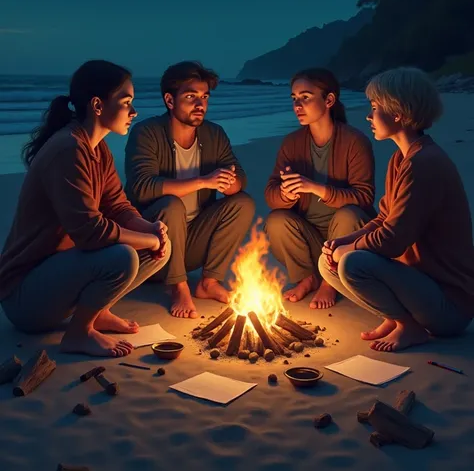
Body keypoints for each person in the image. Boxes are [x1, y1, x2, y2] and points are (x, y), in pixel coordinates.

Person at [0, 60, 170, 358]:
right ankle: (79, 334)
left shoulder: (97, 148)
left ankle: (97, 312)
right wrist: (149, 239)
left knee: (160, 248)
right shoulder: (68, 149)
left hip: (61, 277)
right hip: (25, 299)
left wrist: (152, 231)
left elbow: (117, 205)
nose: (134, 112)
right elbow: (92, 233)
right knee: (122, 256)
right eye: (127, 102)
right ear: (97, 105)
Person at [319, 67, 474, 352]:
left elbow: (392, 240)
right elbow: (383, 219)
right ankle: (396, 317)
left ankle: (409, 327)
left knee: (353, 263)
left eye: (375, 108)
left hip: (449, 306)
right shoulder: (401, 159)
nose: (368, 116)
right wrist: (340, 243)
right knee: (326, 262)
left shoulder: (423, 164)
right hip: (419, 287)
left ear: (398, 114)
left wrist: (350, 249)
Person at [124, 60, 255, 319]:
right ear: (170, 101)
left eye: (204, 97)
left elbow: (239, 176)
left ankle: (209, 283)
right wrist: (204, 181)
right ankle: (178, 286)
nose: (200, 105)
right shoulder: (147, 132)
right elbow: (141, 188)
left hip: (191, 245)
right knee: (171, 204)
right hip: (152, 248)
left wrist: (231, 184)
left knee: (243, 202)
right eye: (191, 96)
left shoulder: (214, 134)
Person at [264, 68, 375, 309]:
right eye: (294, 98)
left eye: (306, 97)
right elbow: (271, 193)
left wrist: (316, 188)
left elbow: (364, 198)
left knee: (348, 213)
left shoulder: (355, 141)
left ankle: (330, 283)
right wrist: (285, 194)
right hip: (310, 241)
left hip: (348, 240)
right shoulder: (292, 143)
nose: (298, 105)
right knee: (276, 220)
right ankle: (307, 278)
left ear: (329, 100)